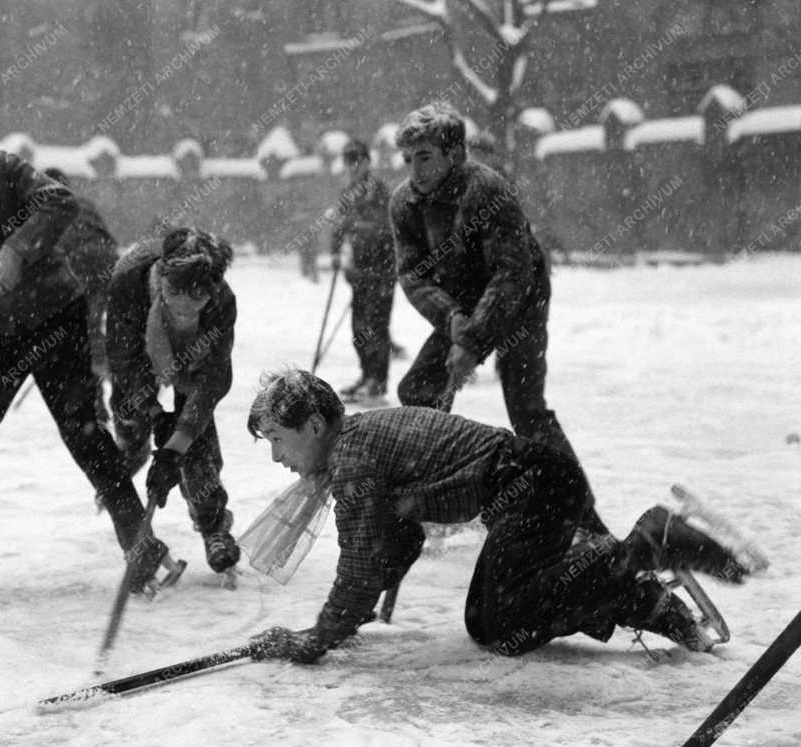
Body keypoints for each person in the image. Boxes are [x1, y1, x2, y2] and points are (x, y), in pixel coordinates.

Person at [245, 370, 753, 664]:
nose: (277, 458)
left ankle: (646, 543)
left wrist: (317, 638)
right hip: (535, 480)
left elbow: (359, 565)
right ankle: (648, 601)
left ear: (313, 425)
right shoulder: (357, 442)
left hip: (530, 486)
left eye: (276, 440)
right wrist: (349, 619)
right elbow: (395, 543)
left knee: (500, 623)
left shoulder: (352, 461)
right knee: (490, 617)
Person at [0, 107, 172, 601]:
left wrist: (17, 249)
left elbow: (58, 201)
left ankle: (140, 541)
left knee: (81, 430)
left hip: (56, 315)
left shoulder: (0, 171)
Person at [389, 101, 605, 535]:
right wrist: (451, 320)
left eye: (425, 156)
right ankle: (441, 501)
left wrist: (471, 342)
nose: (415, 169)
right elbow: (412, 275)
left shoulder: (486, 191)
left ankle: (583, 517)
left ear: (453, 154)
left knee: (526, 410)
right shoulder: (405, 203)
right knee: (419, 390)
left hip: (520, 301)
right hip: (463, 303)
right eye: (409, 159)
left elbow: (511, 275)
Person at [106, 227, 241, 575]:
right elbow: (124, 360)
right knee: (129, 414)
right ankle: (132, 448)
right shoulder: (129, 283)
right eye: (173, 294)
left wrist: (176, 444)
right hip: (139, 356)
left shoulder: (222, 302)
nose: (183, 309)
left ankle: (213, 524)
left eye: (195, 301)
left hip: (191, 367)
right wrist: (152, 413)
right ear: (161, 276)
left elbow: (211, 380)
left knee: (195, 441)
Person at [43, 167, 119, 425]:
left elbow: (50, 247)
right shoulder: (83, 202)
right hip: (108, 264)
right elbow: (106, 236)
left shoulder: (47, 206)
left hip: (81, 267)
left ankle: (99, 400)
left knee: (85, 335)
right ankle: (118, 383)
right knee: (95, 328)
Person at [329, 138, 397, 404]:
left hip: (382, 269)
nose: (352, 166)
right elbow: (339, 225)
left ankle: (377, 380)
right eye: (348, 161)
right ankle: (366, 374)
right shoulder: (348, 192)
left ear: (368, 161)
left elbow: (383, 226)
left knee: (377, 327)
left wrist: (355, 225)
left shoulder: (379, 190)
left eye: (357, 160)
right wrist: (335, 251)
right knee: (358, 328)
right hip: (359, 271)